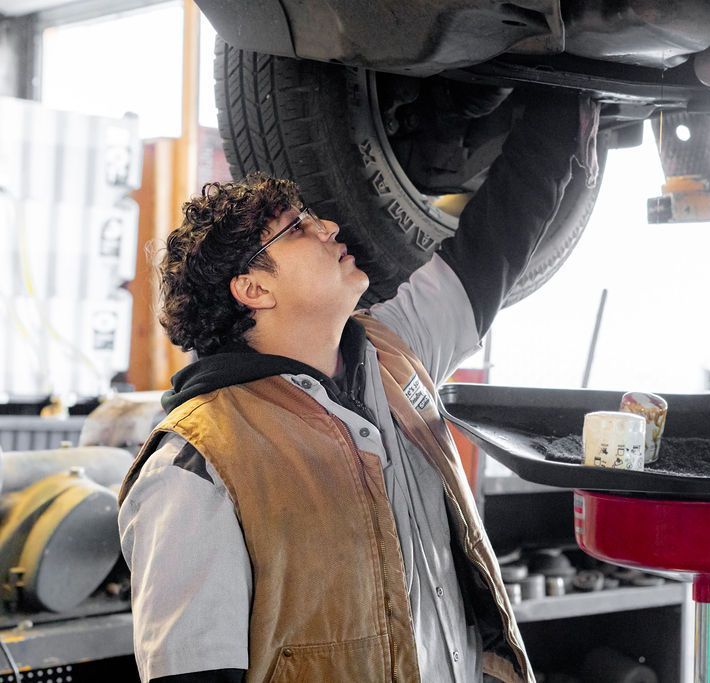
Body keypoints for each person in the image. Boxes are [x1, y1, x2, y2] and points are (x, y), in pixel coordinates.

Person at [117, 92, 598, 683]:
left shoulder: (393, 351)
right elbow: (190, 675)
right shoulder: (197, 462)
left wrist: (560, 103)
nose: (327, 226)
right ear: (253, 290)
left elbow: (494, 242)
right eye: (297, 228)